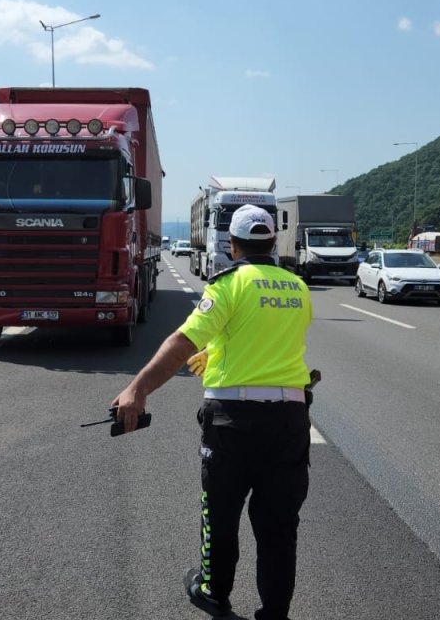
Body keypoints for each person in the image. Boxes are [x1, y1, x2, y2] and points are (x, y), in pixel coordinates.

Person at [112, 204, 314, 620]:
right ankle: (275, 612)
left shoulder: (228, 286)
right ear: (273, 241)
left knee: (221, 514)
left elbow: (183, 341)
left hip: (233, 423)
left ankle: (213, 592)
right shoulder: (297, 288)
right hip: (290, 420)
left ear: (233, 245)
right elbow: (268, 339)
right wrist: (219, 350)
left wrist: (138, 389)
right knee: (279, 526)